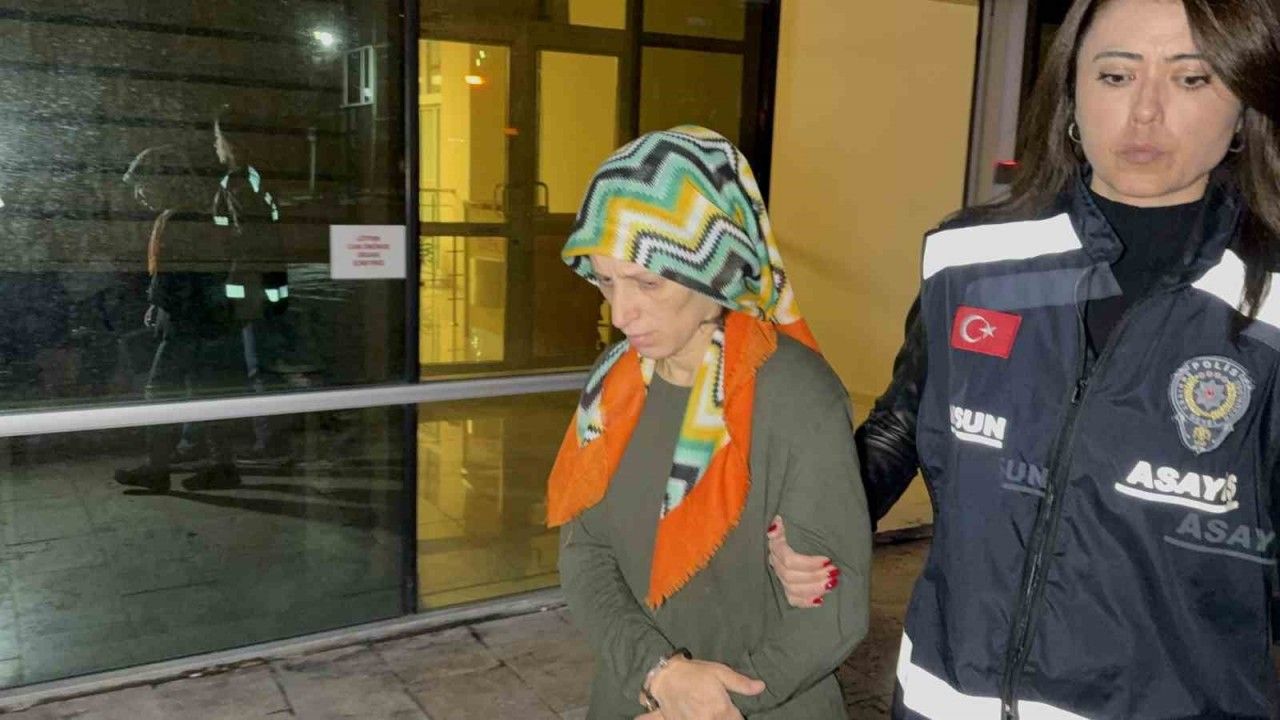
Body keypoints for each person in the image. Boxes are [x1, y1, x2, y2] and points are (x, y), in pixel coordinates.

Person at [767, 0, 1280, 718]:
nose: (1145, 112)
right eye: (1115, 75)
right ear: (1071, 92)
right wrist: (820, 522)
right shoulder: (971, 260)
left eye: (1191, 79)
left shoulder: (1269, 304)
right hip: (949, 698)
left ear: (1244, 107)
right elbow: (904, 422)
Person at [550, 126, 871, 720]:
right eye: (606, 280)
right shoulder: (611, 383)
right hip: (636, 697)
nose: (620, 313)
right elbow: (584, 551)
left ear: (716, 270)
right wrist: (657, 673)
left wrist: (709, 701)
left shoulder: (797, 395)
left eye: (648, 282)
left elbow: (835, 612)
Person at [114, 145, 240, 491]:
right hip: (201, 320)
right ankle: (222, 465)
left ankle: (158, 469)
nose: (139, 195)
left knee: (159, 390)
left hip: (185, 324)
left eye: (143, 185)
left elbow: (174, 277)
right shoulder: (196, 216)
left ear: (164, 182)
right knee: (204, 391)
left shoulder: (177, 220)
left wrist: (159, 303)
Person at [211, 106, 293, 468]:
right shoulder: (259, 178)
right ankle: (270, 438)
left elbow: (241, 241)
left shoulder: (238, 184)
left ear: (231, 143)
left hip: (248, 289)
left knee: (257, 367)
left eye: (217, 139)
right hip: (265, 285)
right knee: (263, 364)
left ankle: (270, 443)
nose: (214, 146)